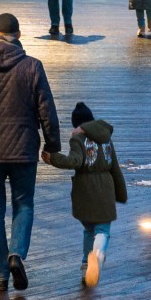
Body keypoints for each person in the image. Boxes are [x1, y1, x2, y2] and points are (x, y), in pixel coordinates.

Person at [0, 13, 61, 292]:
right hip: (24, 150)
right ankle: (16, 254)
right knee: (24, 204)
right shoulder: (32, 67)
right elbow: (46, 110)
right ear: (18, 36)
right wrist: (51, 145)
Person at [43, 102, 127, 288]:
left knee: (89, 229)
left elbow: (75, 161)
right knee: (103, 230)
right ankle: (96, 256)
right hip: (105, 188)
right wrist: (120, 193)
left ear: (77, 124)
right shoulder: (106, 138)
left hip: (85, 190)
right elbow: (115, 167)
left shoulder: (78, 139)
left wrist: (53, 158)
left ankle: (85, 266)